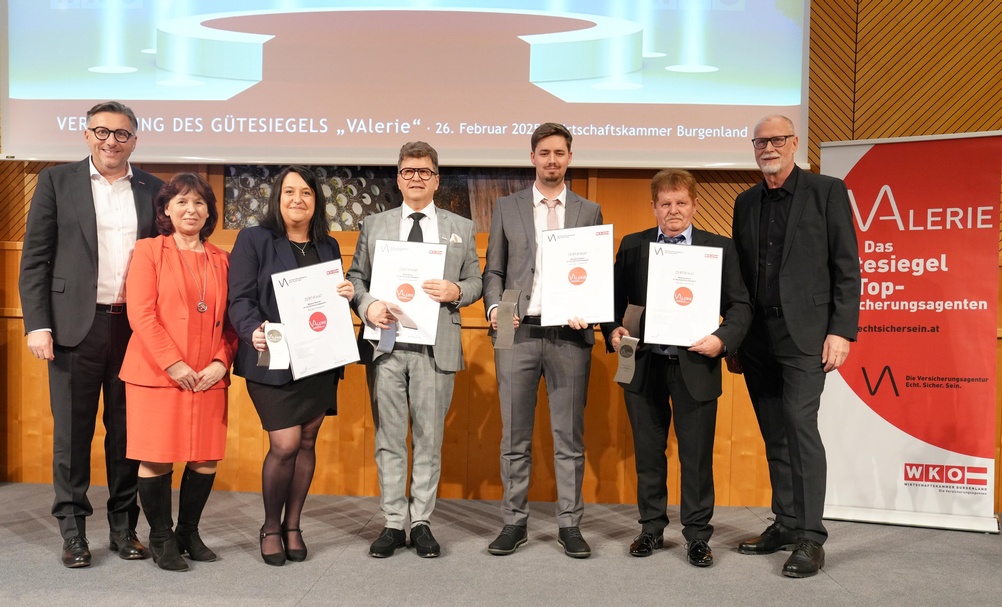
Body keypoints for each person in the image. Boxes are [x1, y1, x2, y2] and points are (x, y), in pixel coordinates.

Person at [18, 101, 163, 568]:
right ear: (85, 136)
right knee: (72, 437)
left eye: (121, 134)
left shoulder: (153, 190)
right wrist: (38, 324)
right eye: (101, 132)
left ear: (134, 140)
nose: (110, 141)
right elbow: (35, 260)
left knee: (126, 436)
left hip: (133, 329)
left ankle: (124, 529)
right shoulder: (56, 182)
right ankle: (74, 533)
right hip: (70, 329)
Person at [730, 115, 860, 578]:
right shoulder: (745, 202)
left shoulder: (827, 192)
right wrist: (733, 337)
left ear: (794, 143)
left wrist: (842, 330)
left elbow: (847, 266)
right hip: (757, 338)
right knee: (774, 432)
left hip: (807, 336)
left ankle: (810, 536)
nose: (768, 147)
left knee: (801, 428)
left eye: (777, 139)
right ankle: (784, 523)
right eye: (760, 140)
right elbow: (740, 276)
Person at [602, 169, 752, 567]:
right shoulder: (633, 247)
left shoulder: (718, 248)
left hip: (696, 365)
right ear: (653, 207)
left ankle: (698, 537)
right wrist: (613, 328)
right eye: (665, 203)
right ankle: (651, 529)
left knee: (696, 457)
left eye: (681, 202)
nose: (673, 210)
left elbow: (740, 306)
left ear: (695, 205)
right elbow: (613, 303)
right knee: (649, 454)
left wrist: (722, 340)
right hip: (645, 365)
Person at [346, 141, 482, 559]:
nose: (416, 178)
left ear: (437, 179)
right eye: (408, 171)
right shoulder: (375, 224)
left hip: (435, 347)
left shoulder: (460, 226)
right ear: (398, 178)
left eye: (425, 172)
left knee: (428, 438)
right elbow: (356, 278)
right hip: (387, 346)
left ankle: (421, 522)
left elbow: (476, 281)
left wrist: (457, 290)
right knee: (390, 437)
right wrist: (369, 306)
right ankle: (391, 522)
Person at [482, 122, 603, 558]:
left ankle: (570, 524)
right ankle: (514, 522)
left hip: (568, 336)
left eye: (560, 153)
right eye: (544, 153)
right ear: (532, 156)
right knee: (513, 435)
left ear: (570, 157)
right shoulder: (506, 207)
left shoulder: (589, 210)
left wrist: (589, 307)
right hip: (516, 332)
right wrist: (495, 309)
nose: (552, 160)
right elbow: (493, 270)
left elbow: (594, 275)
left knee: (568, 436)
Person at [228, 165, 355, 566]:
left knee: (306, 442)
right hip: (273, 357)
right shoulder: (255, 239)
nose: (297, 199)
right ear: (277, 198)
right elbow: (240, 298)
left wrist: (348, 293)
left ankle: (294, 525)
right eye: (289, 192)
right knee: (283, 443)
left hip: (319, 358)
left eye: (306, 193)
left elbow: (330, 298)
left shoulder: (328, 245)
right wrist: (251, 331)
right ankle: (270, 526)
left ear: (317, 200)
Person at [119, 173, 238, 572]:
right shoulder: (149, 250)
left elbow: (233, 320)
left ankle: (189, 532)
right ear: (166, 209)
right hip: (158, 373)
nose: (192, 209)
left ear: (210, 213)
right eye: (183, 202)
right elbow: (142, 313)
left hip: (209, 376)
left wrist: (221, 362)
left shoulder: (222, 259)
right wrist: (176, 363)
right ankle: (160, 535)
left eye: (200, 203)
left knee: (205, 457)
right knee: (157, 457)